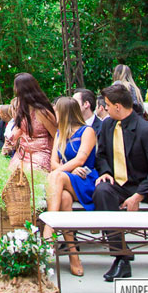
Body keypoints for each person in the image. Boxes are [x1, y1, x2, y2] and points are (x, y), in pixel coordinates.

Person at [93, 84, 148, 282]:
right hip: (119, 184)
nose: (105, 108)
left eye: (107, 105)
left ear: (118, 106)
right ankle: (121, 256)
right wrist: (105, 172)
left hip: (146, 184)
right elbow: (101, 156)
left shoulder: (147, 130)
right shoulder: (107, 125)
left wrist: (139, 195)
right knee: (102, 191)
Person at [44, 97, 98, 276]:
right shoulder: (60, 133)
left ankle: (49, 225)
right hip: (66, 180)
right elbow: (53, 162)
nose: (54, 115)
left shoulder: (87, 131)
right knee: (64, 199)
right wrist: (68, 171)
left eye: (56, 111)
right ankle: (74, 255)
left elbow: (81, 159)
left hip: (85, 180)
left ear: (65, 112)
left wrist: (61, 172)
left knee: (57, 176)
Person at [7, 73, 57, 172]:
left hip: (41, 153)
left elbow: (56, 135)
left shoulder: (42, 112)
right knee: (13, 173)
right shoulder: (21, 109)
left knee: (30, 172)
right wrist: (12, 139)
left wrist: (56, 159)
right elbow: (20, 129)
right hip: (23, 152)